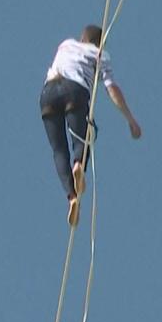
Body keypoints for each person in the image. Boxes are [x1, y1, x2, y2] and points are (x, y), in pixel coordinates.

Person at [40, 25, 142, 226]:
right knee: (84, 134)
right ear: (99, 42)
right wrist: (130, 119)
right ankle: (79, 163)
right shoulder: (100, 55)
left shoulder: (66, 44)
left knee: (58, 149)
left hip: (48, 93)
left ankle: (71, 197)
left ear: (82, 37)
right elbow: (111, 89)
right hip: (74, 89)